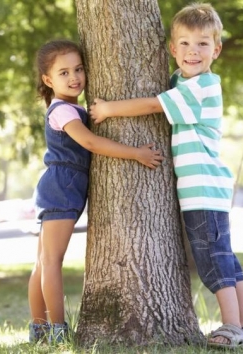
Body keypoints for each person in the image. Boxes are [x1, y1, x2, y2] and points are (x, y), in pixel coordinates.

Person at [89, 3, 243, 349]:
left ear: (217, 49)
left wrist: (108, 109)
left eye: (202, 44)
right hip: (206, 188)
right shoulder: (183, 80)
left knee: (213, 259)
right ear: (172, 48)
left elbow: (153, 105)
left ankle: (232, 326)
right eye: (184, 43)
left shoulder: (202, 87)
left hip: (203, 188)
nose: (192, 51)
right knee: (225, 256)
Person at [29, 39, 163, 345]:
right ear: (48, 80)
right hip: (61, 188)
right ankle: (57, 330)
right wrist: (135, 153)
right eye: (63, 73)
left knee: (43, 261)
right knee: (50, 262)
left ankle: (38, 331)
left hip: (62, 187)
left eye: (78, 69)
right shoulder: (63, 111)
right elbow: (90, 143)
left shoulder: (71, 107)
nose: (74, 77)